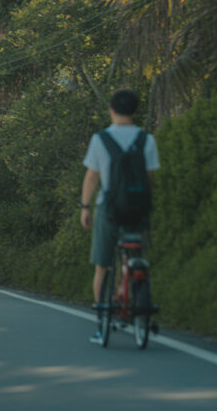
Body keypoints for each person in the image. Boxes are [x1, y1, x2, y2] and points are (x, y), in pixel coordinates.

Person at [80, 89, 160, 344]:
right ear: (134, 110)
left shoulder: (101, 139)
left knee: (102, 265)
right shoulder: (146, 139)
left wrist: (85, 207)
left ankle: (101, 324)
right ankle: (133, 284)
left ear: (112, 110)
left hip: (108, 208)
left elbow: (92, 177)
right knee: (133, 253)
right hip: (138, 208)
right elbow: (149, 178)